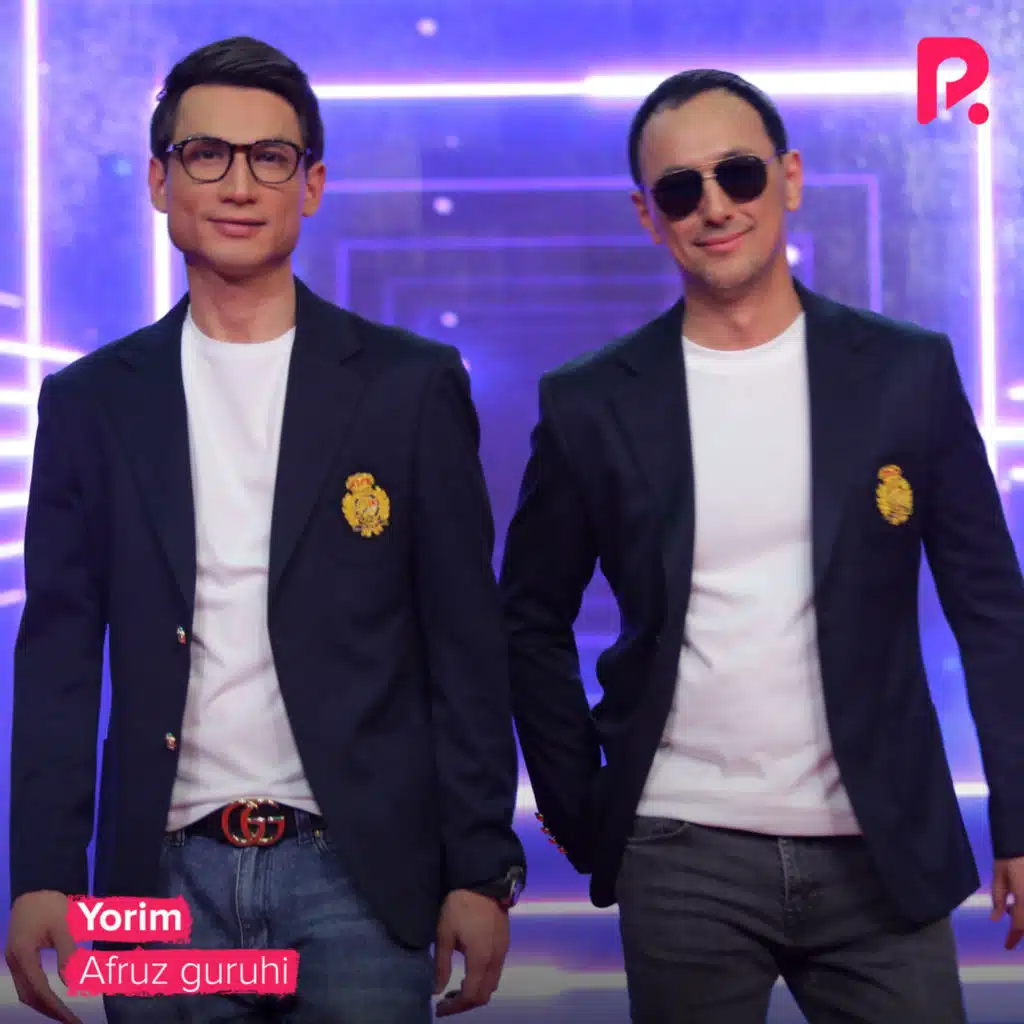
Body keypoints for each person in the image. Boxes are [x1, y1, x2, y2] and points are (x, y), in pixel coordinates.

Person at [6, 36, 525, 1024]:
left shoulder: (408, 387)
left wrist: (481, 867)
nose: (238, 185)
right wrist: (42, 872)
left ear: (312, 185)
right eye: (207, 155)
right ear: (159, 181)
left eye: (270, 158)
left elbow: (463, 642)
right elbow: (60, 652)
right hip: (156, 884)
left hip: (360, 879)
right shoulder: (91, 403)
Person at [500, 68, 1024, 1023]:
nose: (714, 207)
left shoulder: (906, 372)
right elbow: (528, 618)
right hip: (681, 850)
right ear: (648, 216)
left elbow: (991, 609)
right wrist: (581, 810)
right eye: (679, 190)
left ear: (790, 178)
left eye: (738, 174)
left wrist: (1020, 815)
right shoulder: (591, 402)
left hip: (882, 845)